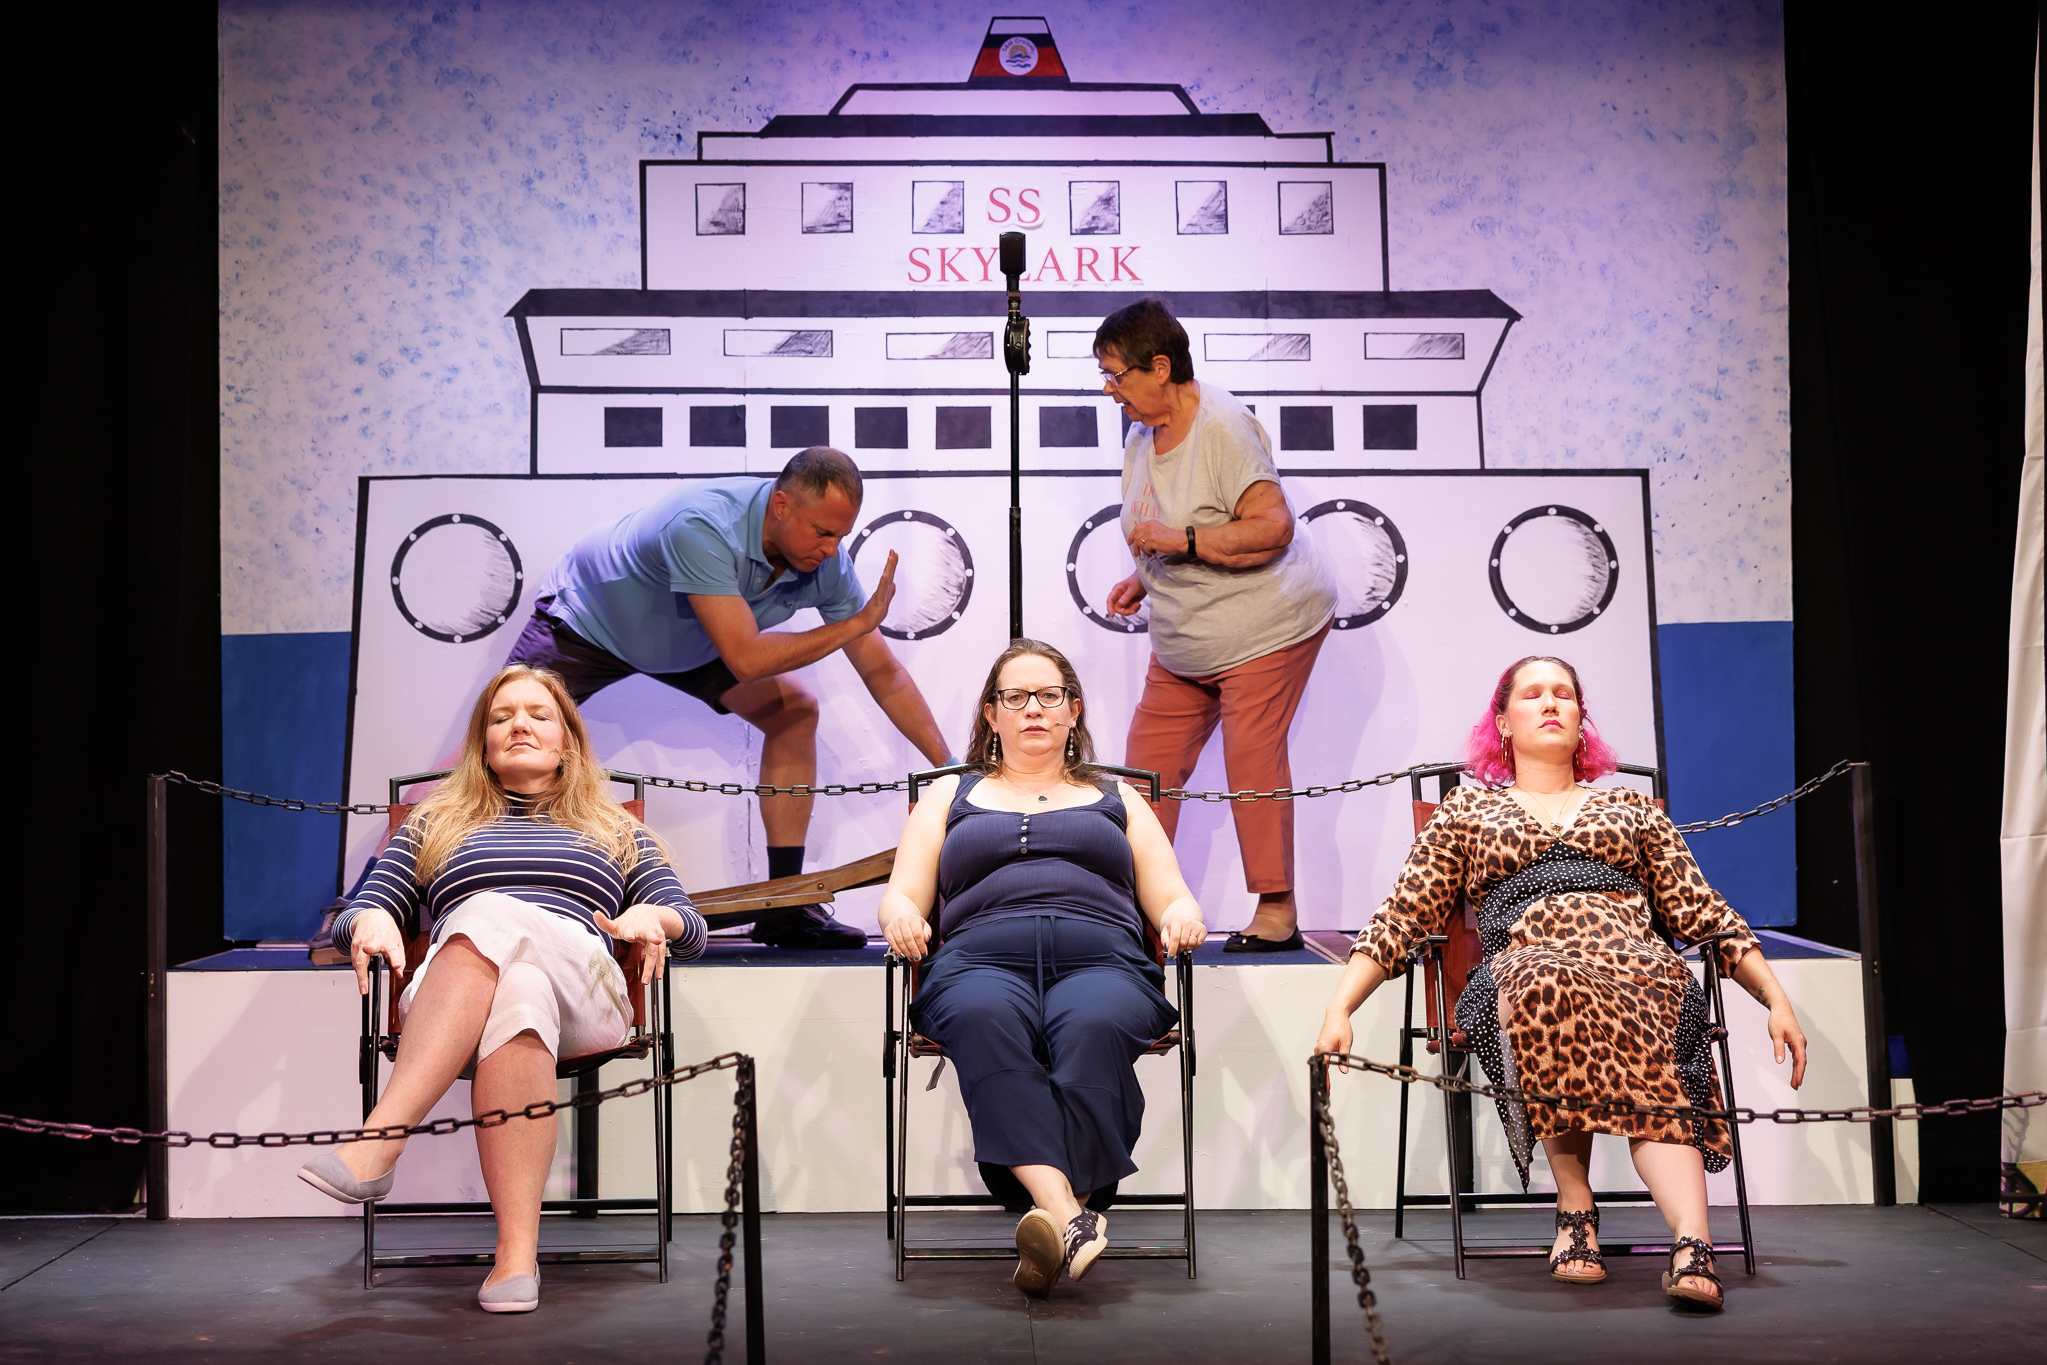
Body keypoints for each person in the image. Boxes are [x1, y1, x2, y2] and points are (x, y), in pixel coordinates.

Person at [1314, 655, 1810, 1312]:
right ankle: (1575, 1208)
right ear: (1501, 722)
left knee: (1643, 984)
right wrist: (1341, 1007)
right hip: (1524, 969)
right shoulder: (1467, 810)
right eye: (1532, 694)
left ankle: (1693, 1242)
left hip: (1636, 969)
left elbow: (1703, 911)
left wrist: (1774, 998)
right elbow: (1404, 915)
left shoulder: (1631, 810)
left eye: (1564, 694)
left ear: (1581, 720)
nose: (1551, 703)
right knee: (1545, 980)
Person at [297, 665, 708, 1314]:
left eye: (538, 715)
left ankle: (382, 1138)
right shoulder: (434, 821)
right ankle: (516, 1258)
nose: (519, 724)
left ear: (567, 741)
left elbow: (690, 926)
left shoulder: (614, 827)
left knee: (488, 911)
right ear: (482, 744)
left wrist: (654, 917)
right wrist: (368, 918)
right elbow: (358, 911)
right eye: (501, 716)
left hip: (586, 990)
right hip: (456, 998)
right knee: (520, 988)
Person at [507, 446, 953, 949]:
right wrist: (855, 624)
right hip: (586, 623)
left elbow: (883, 673)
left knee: (794, 713)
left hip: (698, 640)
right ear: (781, 506)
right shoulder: (702, 524)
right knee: (499, 736)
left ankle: (786, 906)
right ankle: (447, 871)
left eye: (841, 535)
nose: (832, 550)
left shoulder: (825, 563)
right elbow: (747, 659)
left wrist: (949, 767)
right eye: (822, 532)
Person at [877, 639, 1207, 1298]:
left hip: (1102, 957)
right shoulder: (948, 795)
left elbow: (1170, 892)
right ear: (991, 714)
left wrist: (1182, 916)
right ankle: (1070, 1211)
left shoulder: (1118, 798)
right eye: (1016, 696)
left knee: (1094, 1025)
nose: (1033, 708)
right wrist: (901, 916)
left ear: (1072, 710)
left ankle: (1055, 1221)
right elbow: (901, 894)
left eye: (1049, 695)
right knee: (980, 1016)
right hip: (978, 959)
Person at [1096, 297, 1338, 953]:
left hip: (1267, 623)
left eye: (1116, 374)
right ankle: (1136, 909)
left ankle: (1277, 909)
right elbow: (1160, 518)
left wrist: (1181, 541)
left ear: (1160, 367)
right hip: (1187, 634)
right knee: (1146, 769)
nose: (1108, 388)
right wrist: (1144, 574)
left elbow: (1272, 526)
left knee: (1251, 752)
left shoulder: (1223, 426)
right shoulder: (1141, 431)